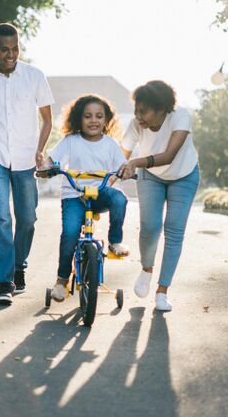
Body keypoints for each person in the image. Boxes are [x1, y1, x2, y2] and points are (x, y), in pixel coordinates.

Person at [0, 22, 54, 306]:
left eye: (15, 48)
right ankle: (3, 282)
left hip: (26, 158)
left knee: (27, 218)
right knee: (1, 217)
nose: (11, 54)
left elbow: (47, 119)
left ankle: (19, 267)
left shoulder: (34, 76)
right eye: (4, 50)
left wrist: (40, 150)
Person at [39, 94, 129, 302]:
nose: (94, 120)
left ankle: (115, 242)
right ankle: (61, 280)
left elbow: (122, 166)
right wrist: (46, 168)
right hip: (74, 195)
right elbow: (51, 160)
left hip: (99, 193)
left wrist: (125, 171)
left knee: (120, 199)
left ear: (106, 120)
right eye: (88, 116)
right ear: (79, 119)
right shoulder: (71, 141)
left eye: (99, 116)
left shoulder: (110, 144)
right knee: (70, 233)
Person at [119, 80, 199, 312]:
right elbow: (120, 154)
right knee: (150, 227)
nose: (138, 116)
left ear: (162, 108)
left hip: (184, 175)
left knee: (174, 230)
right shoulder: (137, 125)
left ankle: (162, 292)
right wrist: (113, 174)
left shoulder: (180, 117)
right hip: (151, 177)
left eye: (143, 111)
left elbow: (169, 155)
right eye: (136, 110)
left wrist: (135, 162)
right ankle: (146, 269)